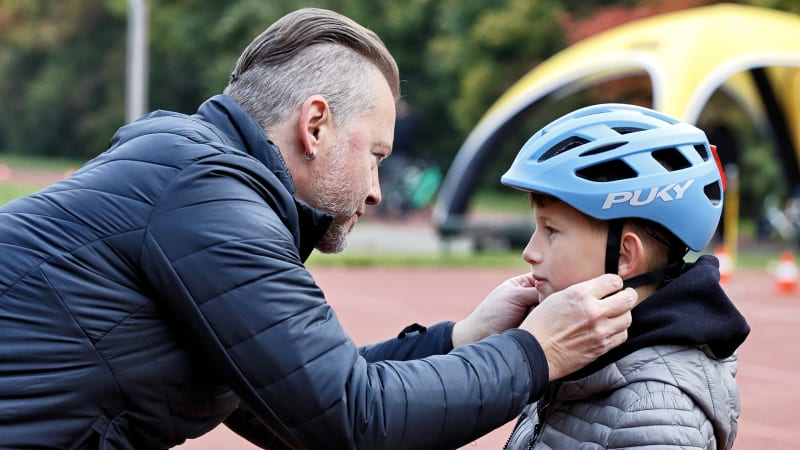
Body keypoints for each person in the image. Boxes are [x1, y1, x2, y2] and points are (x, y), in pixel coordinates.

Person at [0, 9, 638, 449]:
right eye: (376, 155)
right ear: (315, 126)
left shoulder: (192, 178)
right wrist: (537, 352)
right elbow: (354, 421)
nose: (376, 190)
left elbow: (296, 399)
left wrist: (463, 339)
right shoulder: (207, 196)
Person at [500, 103, 751, 449]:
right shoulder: (578, 351)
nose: (530, 252)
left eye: (551, 230)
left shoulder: (656, 414)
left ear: (623, 256)